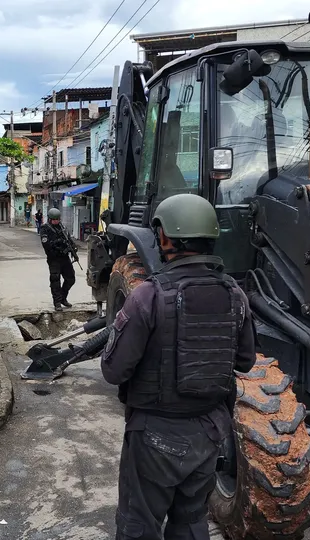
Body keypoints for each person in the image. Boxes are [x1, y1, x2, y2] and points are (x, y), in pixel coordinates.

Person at [100, 193, 256, 540]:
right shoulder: (235, 295)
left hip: (155, 434)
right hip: (209, 432)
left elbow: (113, 371)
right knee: (191, 522)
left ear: (166, 237)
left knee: (139, 526)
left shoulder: (148, 296)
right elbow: (245, 361)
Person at [39, 207, 76, 311]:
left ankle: (63, 298)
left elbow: (68, 239)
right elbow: (45, 244)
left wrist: (73, 247)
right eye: (54, 219)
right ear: (50, 219)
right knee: (55, 281)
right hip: (54, 259)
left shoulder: (61, 227)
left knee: (71, 279)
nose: (56, 221)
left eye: (58, 219)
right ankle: (57, 302)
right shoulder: (45, 228)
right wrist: (57, 243)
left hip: (64, 258)